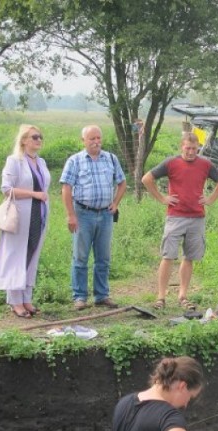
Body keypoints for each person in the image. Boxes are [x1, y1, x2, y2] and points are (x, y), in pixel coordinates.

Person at [142, 132, 218, 311]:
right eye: (187, 148)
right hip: (176, 216)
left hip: (197, 217)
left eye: (194, 149)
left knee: (189, 257)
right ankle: (161, 297)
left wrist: (210, 199)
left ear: (198, 148)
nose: (191, 152)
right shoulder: (171, 163)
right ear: (182, 146)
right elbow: (147, 179)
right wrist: (162, 198)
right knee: (168, 256)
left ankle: (183, 295)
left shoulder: (205, 164)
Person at [60, 125, 127, 310]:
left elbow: (122, 183)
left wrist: (116, 202)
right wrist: (70, 215)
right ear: (83, 141)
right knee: (80, 257)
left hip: (105, 214)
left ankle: (102, 295)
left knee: (103, 257)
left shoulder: (111, 159)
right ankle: (80, 297)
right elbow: (66, 188)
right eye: (92, 138)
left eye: (98, 138)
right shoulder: (75, 161)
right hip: (83, 214)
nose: (96, 141)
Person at [112, 356, 204, 431]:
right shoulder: (170, 417)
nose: (186, 404)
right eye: (190, 397)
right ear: (182, 386)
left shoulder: (123, 403)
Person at [0, 124, 50, 318]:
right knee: (16, 255)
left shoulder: (41, 162)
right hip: (20, 216)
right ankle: (15, 301)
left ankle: (27, 298)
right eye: (34, 137)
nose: (39, 140)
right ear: (24, 140)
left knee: (32, 254)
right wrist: (34, 194)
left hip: (38, 215)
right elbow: (7, 189)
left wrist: (40, 198)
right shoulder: (14, 161)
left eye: (40, 136)